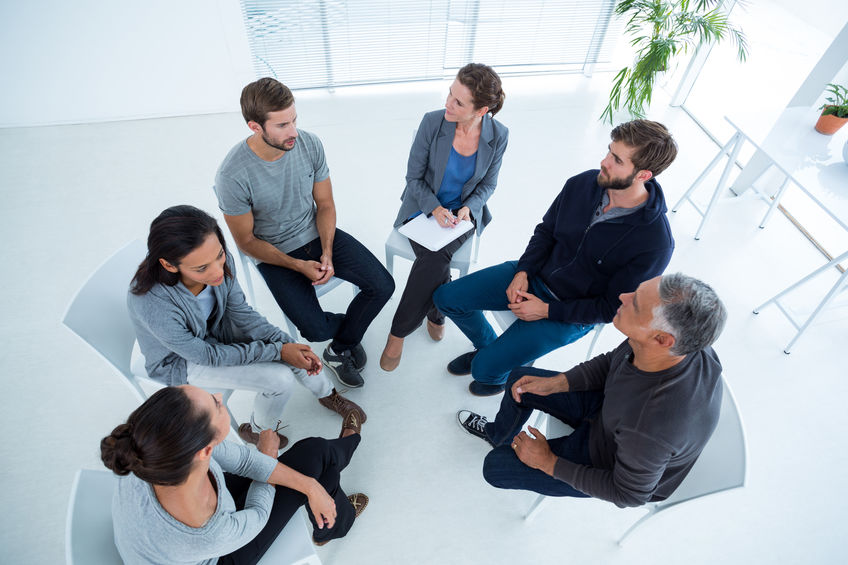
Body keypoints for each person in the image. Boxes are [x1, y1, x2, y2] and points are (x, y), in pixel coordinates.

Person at [433, 119, 678, 396]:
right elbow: (546, 231)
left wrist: (547, 310)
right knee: (446, 299)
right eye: (609, 151)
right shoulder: (583, 183)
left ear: (643, 175)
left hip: (569, 314)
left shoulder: (655, 243)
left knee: (483, 372)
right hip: (536, 276)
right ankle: (487, 347)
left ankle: (492, 374)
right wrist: (523, 272)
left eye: (617, 160)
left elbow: (611, 308)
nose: (604, 161)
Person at [457, 273, 727, 508]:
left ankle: (514, 451)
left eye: (635, 303)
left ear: (661, 339)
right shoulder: (671, 346)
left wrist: (547, 462)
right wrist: (559, 382)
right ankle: (498, 435)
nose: (622, 296)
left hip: (606, 459)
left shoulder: (653, 429)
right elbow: (614, 361)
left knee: (495, 467)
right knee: (521, 380)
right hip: (611, 410)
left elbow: (629, 494)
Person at [127, 205, 365, 447]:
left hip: (215, 331)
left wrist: (284, 344)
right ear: (169, 265)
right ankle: (258, 430)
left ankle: (327, 395)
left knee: (293, 347)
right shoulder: (151, 303)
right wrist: (278, 351)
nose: (219, 270)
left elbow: (241, 313)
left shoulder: (218, 259)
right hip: (182, 361)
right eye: (202, 268)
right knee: (280, 379)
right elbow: (205, 354)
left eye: (219, 255)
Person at [214, 77, 395, 389]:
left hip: (316, 233)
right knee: (315, 331)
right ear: (255, 127)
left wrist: (326, 251)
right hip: (273, 252)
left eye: (294, 119)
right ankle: (345, 332)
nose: (293, 132)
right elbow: (245, 242)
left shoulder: (309, 143)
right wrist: (297, 265)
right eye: (282, 125)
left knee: (383, 286)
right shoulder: (232, 176)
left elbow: (324, 204)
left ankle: (339, 350)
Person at [102, 384, 368, 564]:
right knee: (319, 464)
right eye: (216, 404)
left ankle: (332, 512)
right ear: (205, 451)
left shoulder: (152, 449)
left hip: (161, 544)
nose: (220, 397)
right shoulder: (209, 531)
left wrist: (311, 487)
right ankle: (335, 517)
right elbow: (258, 514)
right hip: (221, 555)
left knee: (316, 468)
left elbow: (241, 460)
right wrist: (269, 454)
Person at [379, 63, 508, 372]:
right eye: (450, 94)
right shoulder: (432, 122)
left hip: (460, 216)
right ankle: (433, 315)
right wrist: (434, 208)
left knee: (435, 258)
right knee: (436, 262)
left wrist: (467, 208)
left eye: (458, 102)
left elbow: (488, 184)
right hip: (422, 208)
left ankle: (399, 333)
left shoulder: (499, 136)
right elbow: (413, 178)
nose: (448, 104)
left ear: (482, 110)